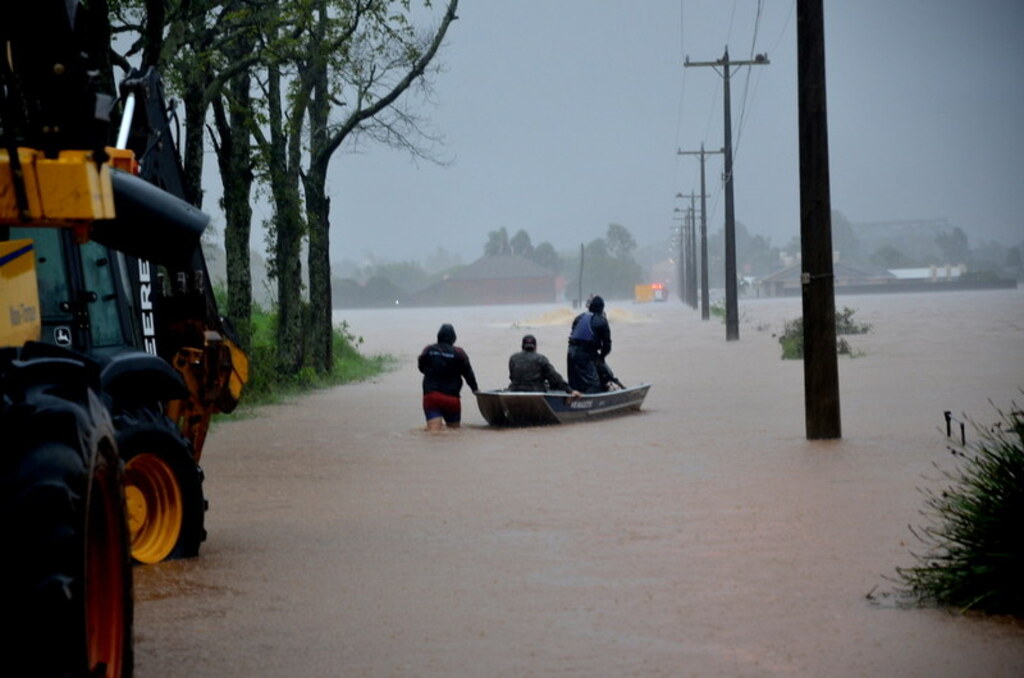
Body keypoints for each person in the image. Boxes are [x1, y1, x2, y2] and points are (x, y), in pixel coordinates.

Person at [418, 323, 478, 430]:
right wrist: (475, 389)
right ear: (454, 338)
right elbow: (468, 374)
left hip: (431, 396)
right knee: (454, 432)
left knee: (434, 432)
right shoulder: (459, 353)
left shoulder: (428, 350)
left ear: (438, 336)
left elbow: (421, 367)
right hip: (452, 398)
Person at [567, 295, 611, 393]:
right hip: (585, 354)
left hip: (571, 351)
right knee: (593, 384)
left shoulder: (579, 317)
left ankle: (574, 394)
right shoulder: (602, 321)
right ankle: (594, 397)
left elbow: (574, 334)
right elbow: (607, 345)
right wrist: (601, 358)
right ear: (601, 308)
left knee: (574, 383)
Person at [508, 334, 579, 395]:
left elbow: (512, 377)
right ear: (535, 347)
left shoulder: (513, 358)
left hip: (514, 390)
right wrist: (570, 390)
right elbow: (555, 378)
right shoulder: (541, 359)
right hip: (536, 391)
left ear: (522, 346)